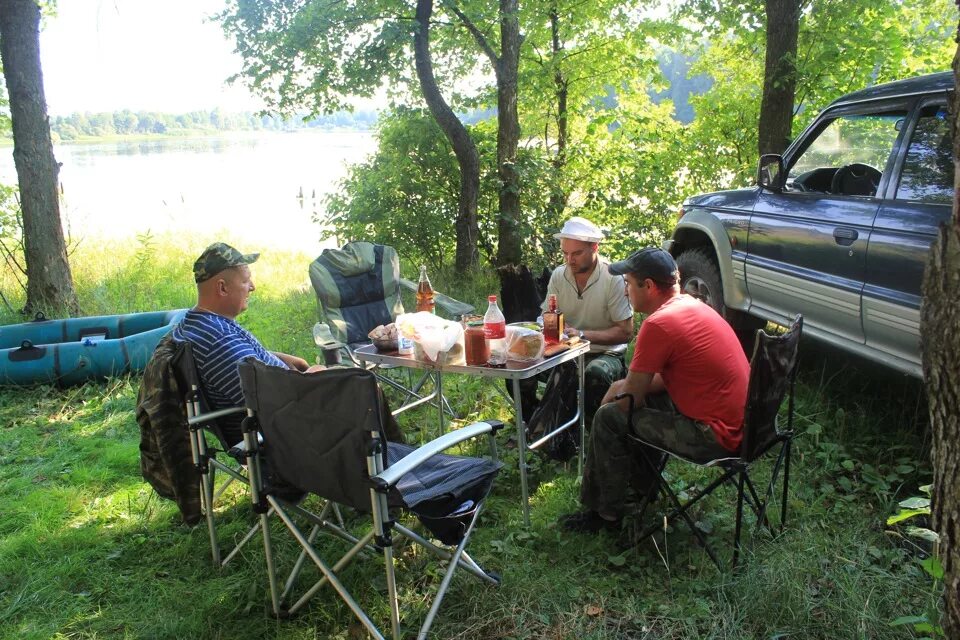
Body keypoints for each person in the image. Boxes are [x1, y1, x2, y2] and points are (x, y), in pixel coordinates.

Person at [560, 247, 750, 534]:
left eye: (627, 284)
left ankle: (604, 515)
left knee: (609, 418)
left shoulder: (659, 324)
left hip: (715, 437)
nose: (625, 292)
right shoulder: (693, 305)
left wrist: (618, 390)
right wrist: (623, 385)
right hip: (750, 426)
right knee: (650, 397)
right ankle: (641, 486)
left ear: (648, 286)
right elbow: (669, 378)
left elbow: (628, 402)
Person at [172, 242, 402, 445]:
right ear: (222, 288)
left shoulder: (197, 324)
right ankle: (398, 471)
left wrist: (282, 359)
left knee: (353, 382)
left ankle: (395, 461)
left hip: (278, 410)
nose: (252, 287)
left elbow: (243, 364)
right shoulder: (218, 338)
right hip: (286, 436)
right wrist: (310, 378)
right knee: (365, 389)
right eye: (246, 281)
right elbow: (270, 403)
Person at [524, 217, 634, 421]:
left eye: (576, 253)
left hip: (604, 354)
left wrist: (581, 335)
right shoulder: (559, 276)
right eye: (565, 253)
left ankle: (594, 433)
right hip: (565, 353)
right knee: (522, 370)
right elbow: (545, 316)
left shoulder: (613, 278)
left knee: (594, 374)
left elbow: (626, 332)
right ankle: (537, 428)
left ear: (595, 248)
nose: (569, 260)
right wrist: (550, 326)